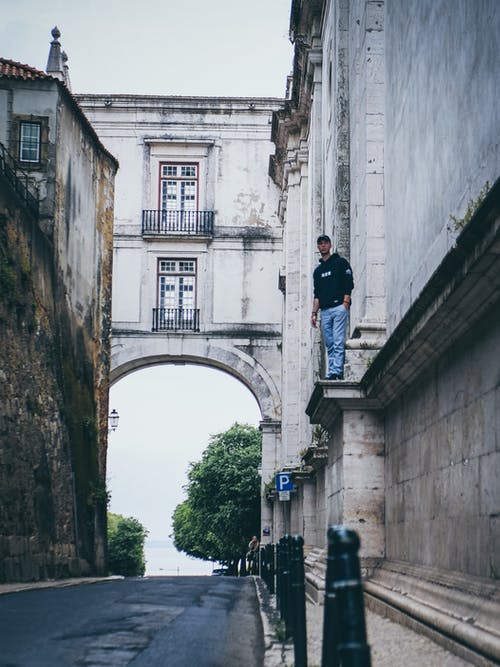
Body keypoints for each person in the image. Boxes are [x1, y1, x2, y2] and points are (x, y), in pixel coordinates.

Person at [311, 234, 354, 380]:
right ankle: (332, 372)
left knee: (337, 340)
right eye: (320, 244)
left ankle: (337, 371)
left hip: (339, 307)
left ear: (330, 245)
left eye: (325, 243)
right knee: (329, 343)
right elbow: (316, 294)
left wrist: (346, 302)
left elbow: (349, 282)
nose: (323, 245)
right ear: (318, 247)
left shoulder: (340, 263)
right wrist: (314, 313)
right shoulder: (317, 272)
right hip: (325, 311)